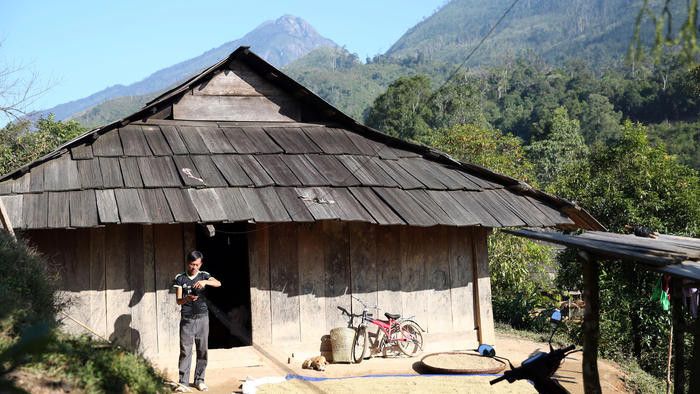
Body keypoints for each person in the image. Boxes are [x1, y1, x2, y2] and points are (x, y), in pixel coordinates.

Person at [173, 251, 221, 392]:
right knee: (185, 351)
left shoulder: (204, 275)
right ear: (187, 263)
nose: (194, 267)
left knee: (202, 350)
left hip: (202, 318)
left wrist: (206, 282)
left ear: (201, 264)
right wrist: (187, 299)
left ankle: (199, 380)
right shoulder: (180, 278)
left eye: (197, 264)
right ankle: (183, 383)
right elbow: (178, 301)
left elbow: (218, 283)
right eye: (192, 264)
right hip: (187, 320)